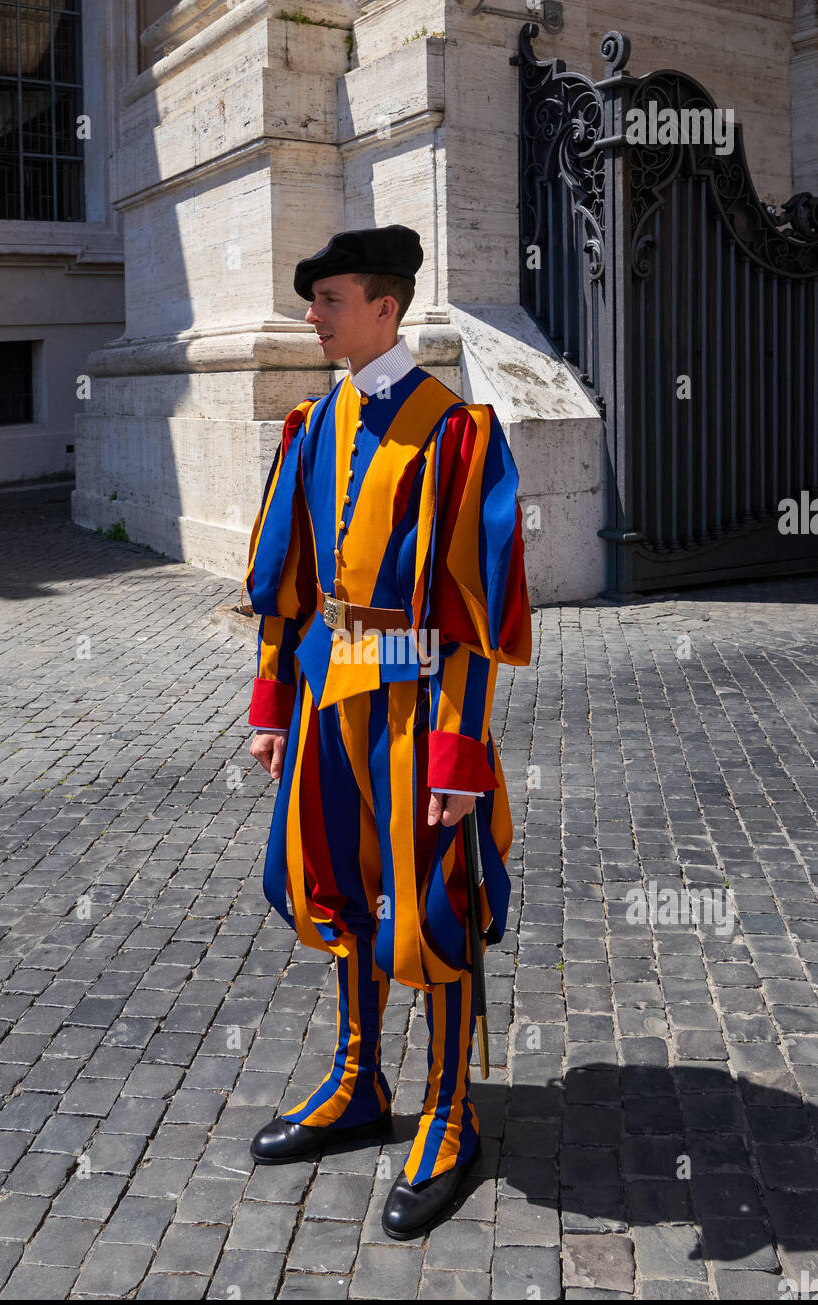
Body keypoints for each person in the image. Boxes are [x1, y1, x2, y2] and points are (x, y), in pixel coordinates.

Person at [243, 224, 532, 1239]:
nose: (312, 316)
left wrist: (460, 756)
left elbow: (476, 615)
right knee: (336, 887)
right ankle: (359, 1082)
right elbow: (286, 582)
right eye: (313, 299)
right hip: (327, 699)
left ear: (384, 308)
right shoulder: (312, 423)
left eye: (328, 299)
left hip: (415, 708)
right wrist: (274, 701)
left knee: (432, 906)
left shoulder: (458, 434)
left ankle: (450, 1112)